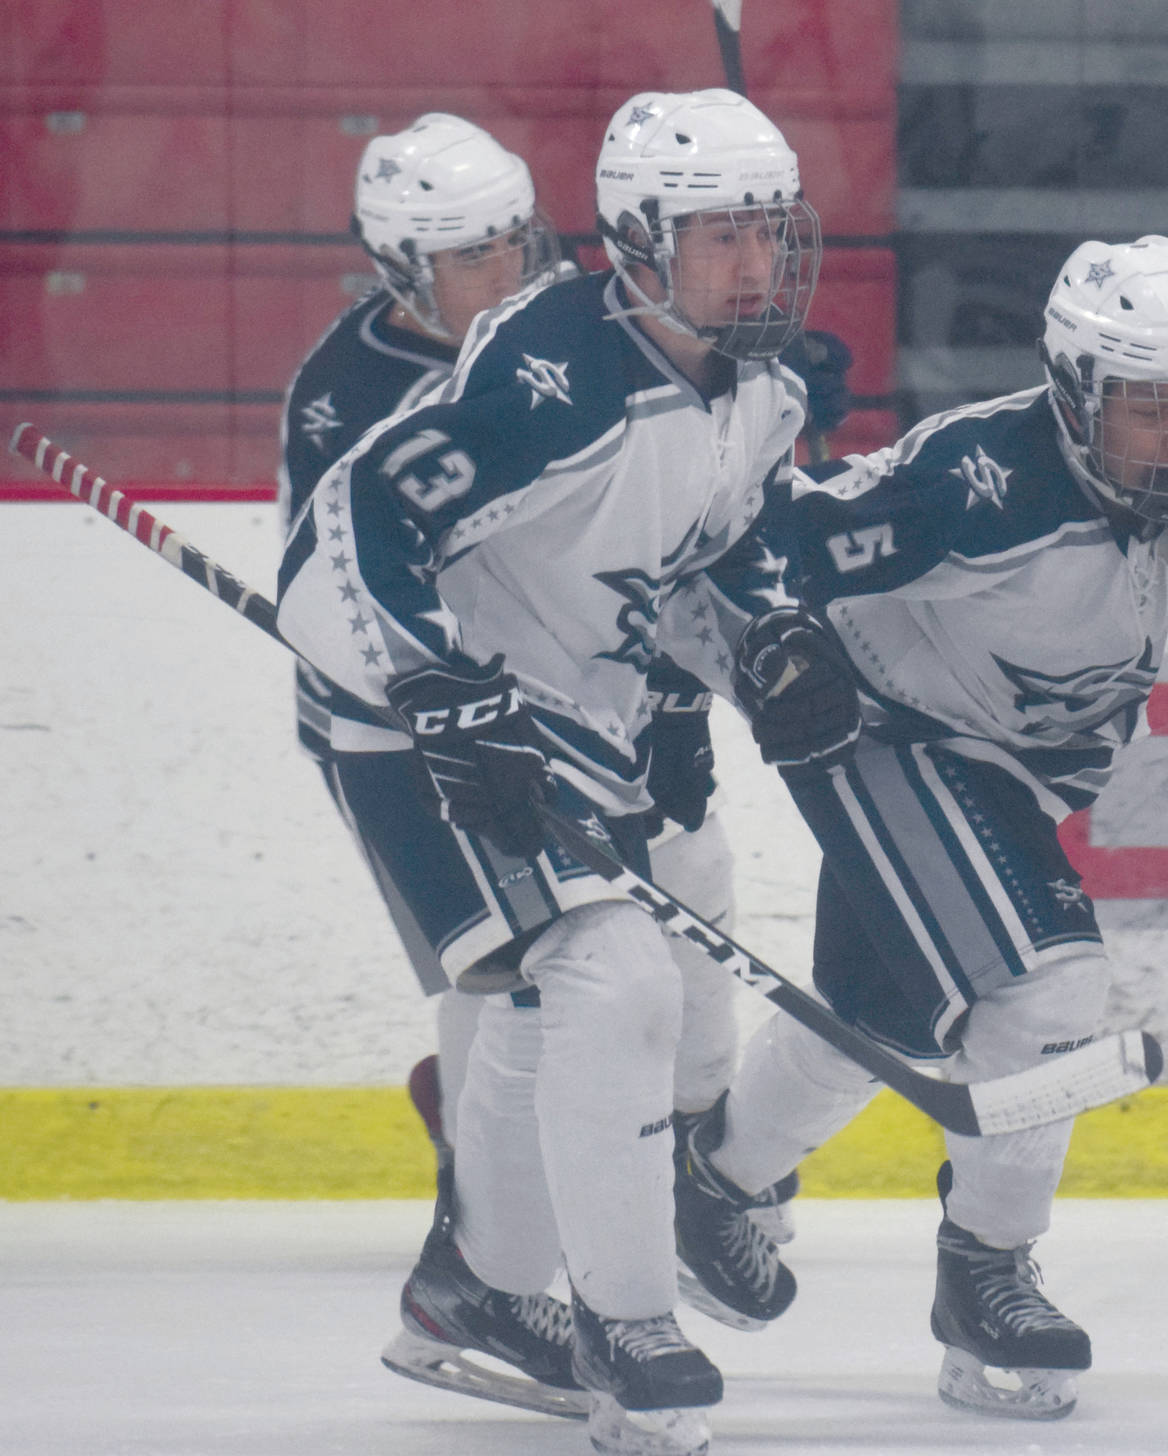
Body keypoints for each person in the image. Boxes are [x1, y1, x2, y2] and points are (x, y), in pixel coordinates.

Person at [276, 88, 827, 1456]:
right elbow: (351, 524)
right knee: (613, 974)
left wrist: (764, 650)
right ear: (639, 240)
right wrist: (435, 684)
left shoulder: (766, 384)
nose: (756, 264)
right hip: (416, 718)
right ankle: (630, 1322)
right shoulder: (555, 370)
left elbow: (715, 555)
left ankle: (479, 1293)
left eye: (769, 231)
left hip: (578, 718)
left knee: (559, 1002)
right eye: (720, 237)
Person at [662, 234, 1168, 1420]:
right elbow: (750, 546)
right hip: (881, 733)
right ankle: (985, 1274)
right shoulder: (972, 485)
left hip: (1025, 771)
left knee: (880, 1018)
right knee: (1048, 988)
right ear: (1071, 393)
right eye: (1146, 410)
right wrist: (759, 659)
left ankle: (715, 1179)